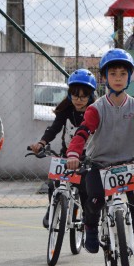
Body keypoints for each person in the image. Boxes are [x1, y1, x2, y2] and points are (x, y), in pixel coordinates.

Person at [65, 49, 134, 252]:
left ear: (129, 77)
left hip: (126, 163)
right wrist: (74, 154)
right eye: (113, 74)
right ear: (104, 77)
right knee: (94, 199)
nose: (118, 78)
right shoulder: (96, 108)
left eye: (123, 74)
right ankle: (90, 228)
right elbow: (82, 133)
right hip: (98, 163)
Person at [28, 69, 98, 228]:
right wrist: (42, 143)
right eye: (75, 95)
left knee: (84, 189)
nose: (79, 100)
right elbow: (54, 128)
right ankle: (53, 207)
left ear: (91, 95)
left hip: (88, 156)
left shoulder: (95, 111)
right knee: (54, 184)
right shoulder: (66, 110)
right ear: (69, 94)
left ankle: (88, 220)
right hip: (67, 155)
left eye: (83, 96)